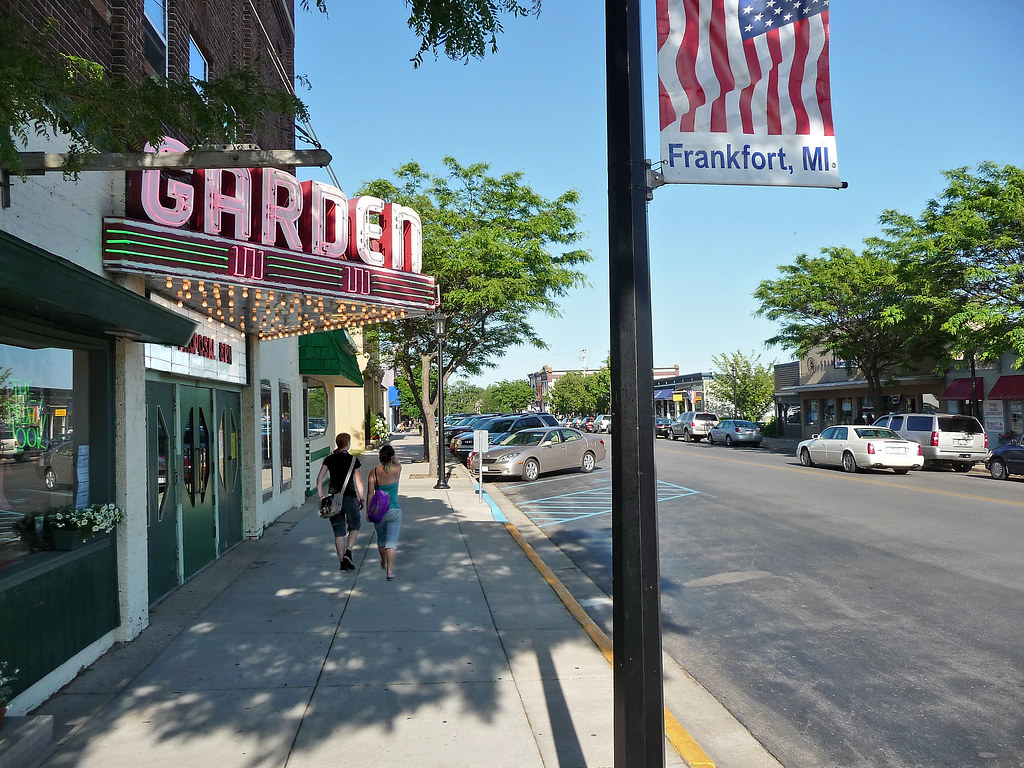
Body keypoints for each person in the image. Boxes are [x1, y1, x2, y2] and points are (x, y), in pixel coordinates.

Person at [316, 433, 365, 572]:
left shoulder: (329, 459)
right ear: (348, 443)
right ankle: (348, 552)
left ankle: (342, 562)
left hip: (333, 499)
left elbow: (319, 479)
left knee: (339, 531)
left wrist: (321, 497)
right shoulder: (353, 460)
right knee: (355, 525)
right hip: (350, 497)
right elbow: (359, 482)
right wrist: (361, 498)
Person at [367, 443, 402, 581]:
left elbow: (370, 494)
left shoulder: (373, 472)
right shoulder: (397, 469)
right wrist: (394, 458)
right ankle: (389, 571)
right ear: (391, 457)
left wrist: (369, 512)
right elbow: (398, 463)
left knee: (381, 540)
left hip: (378, 511)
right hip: (394, 509)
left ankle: (383, 560)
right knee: (391, 542)